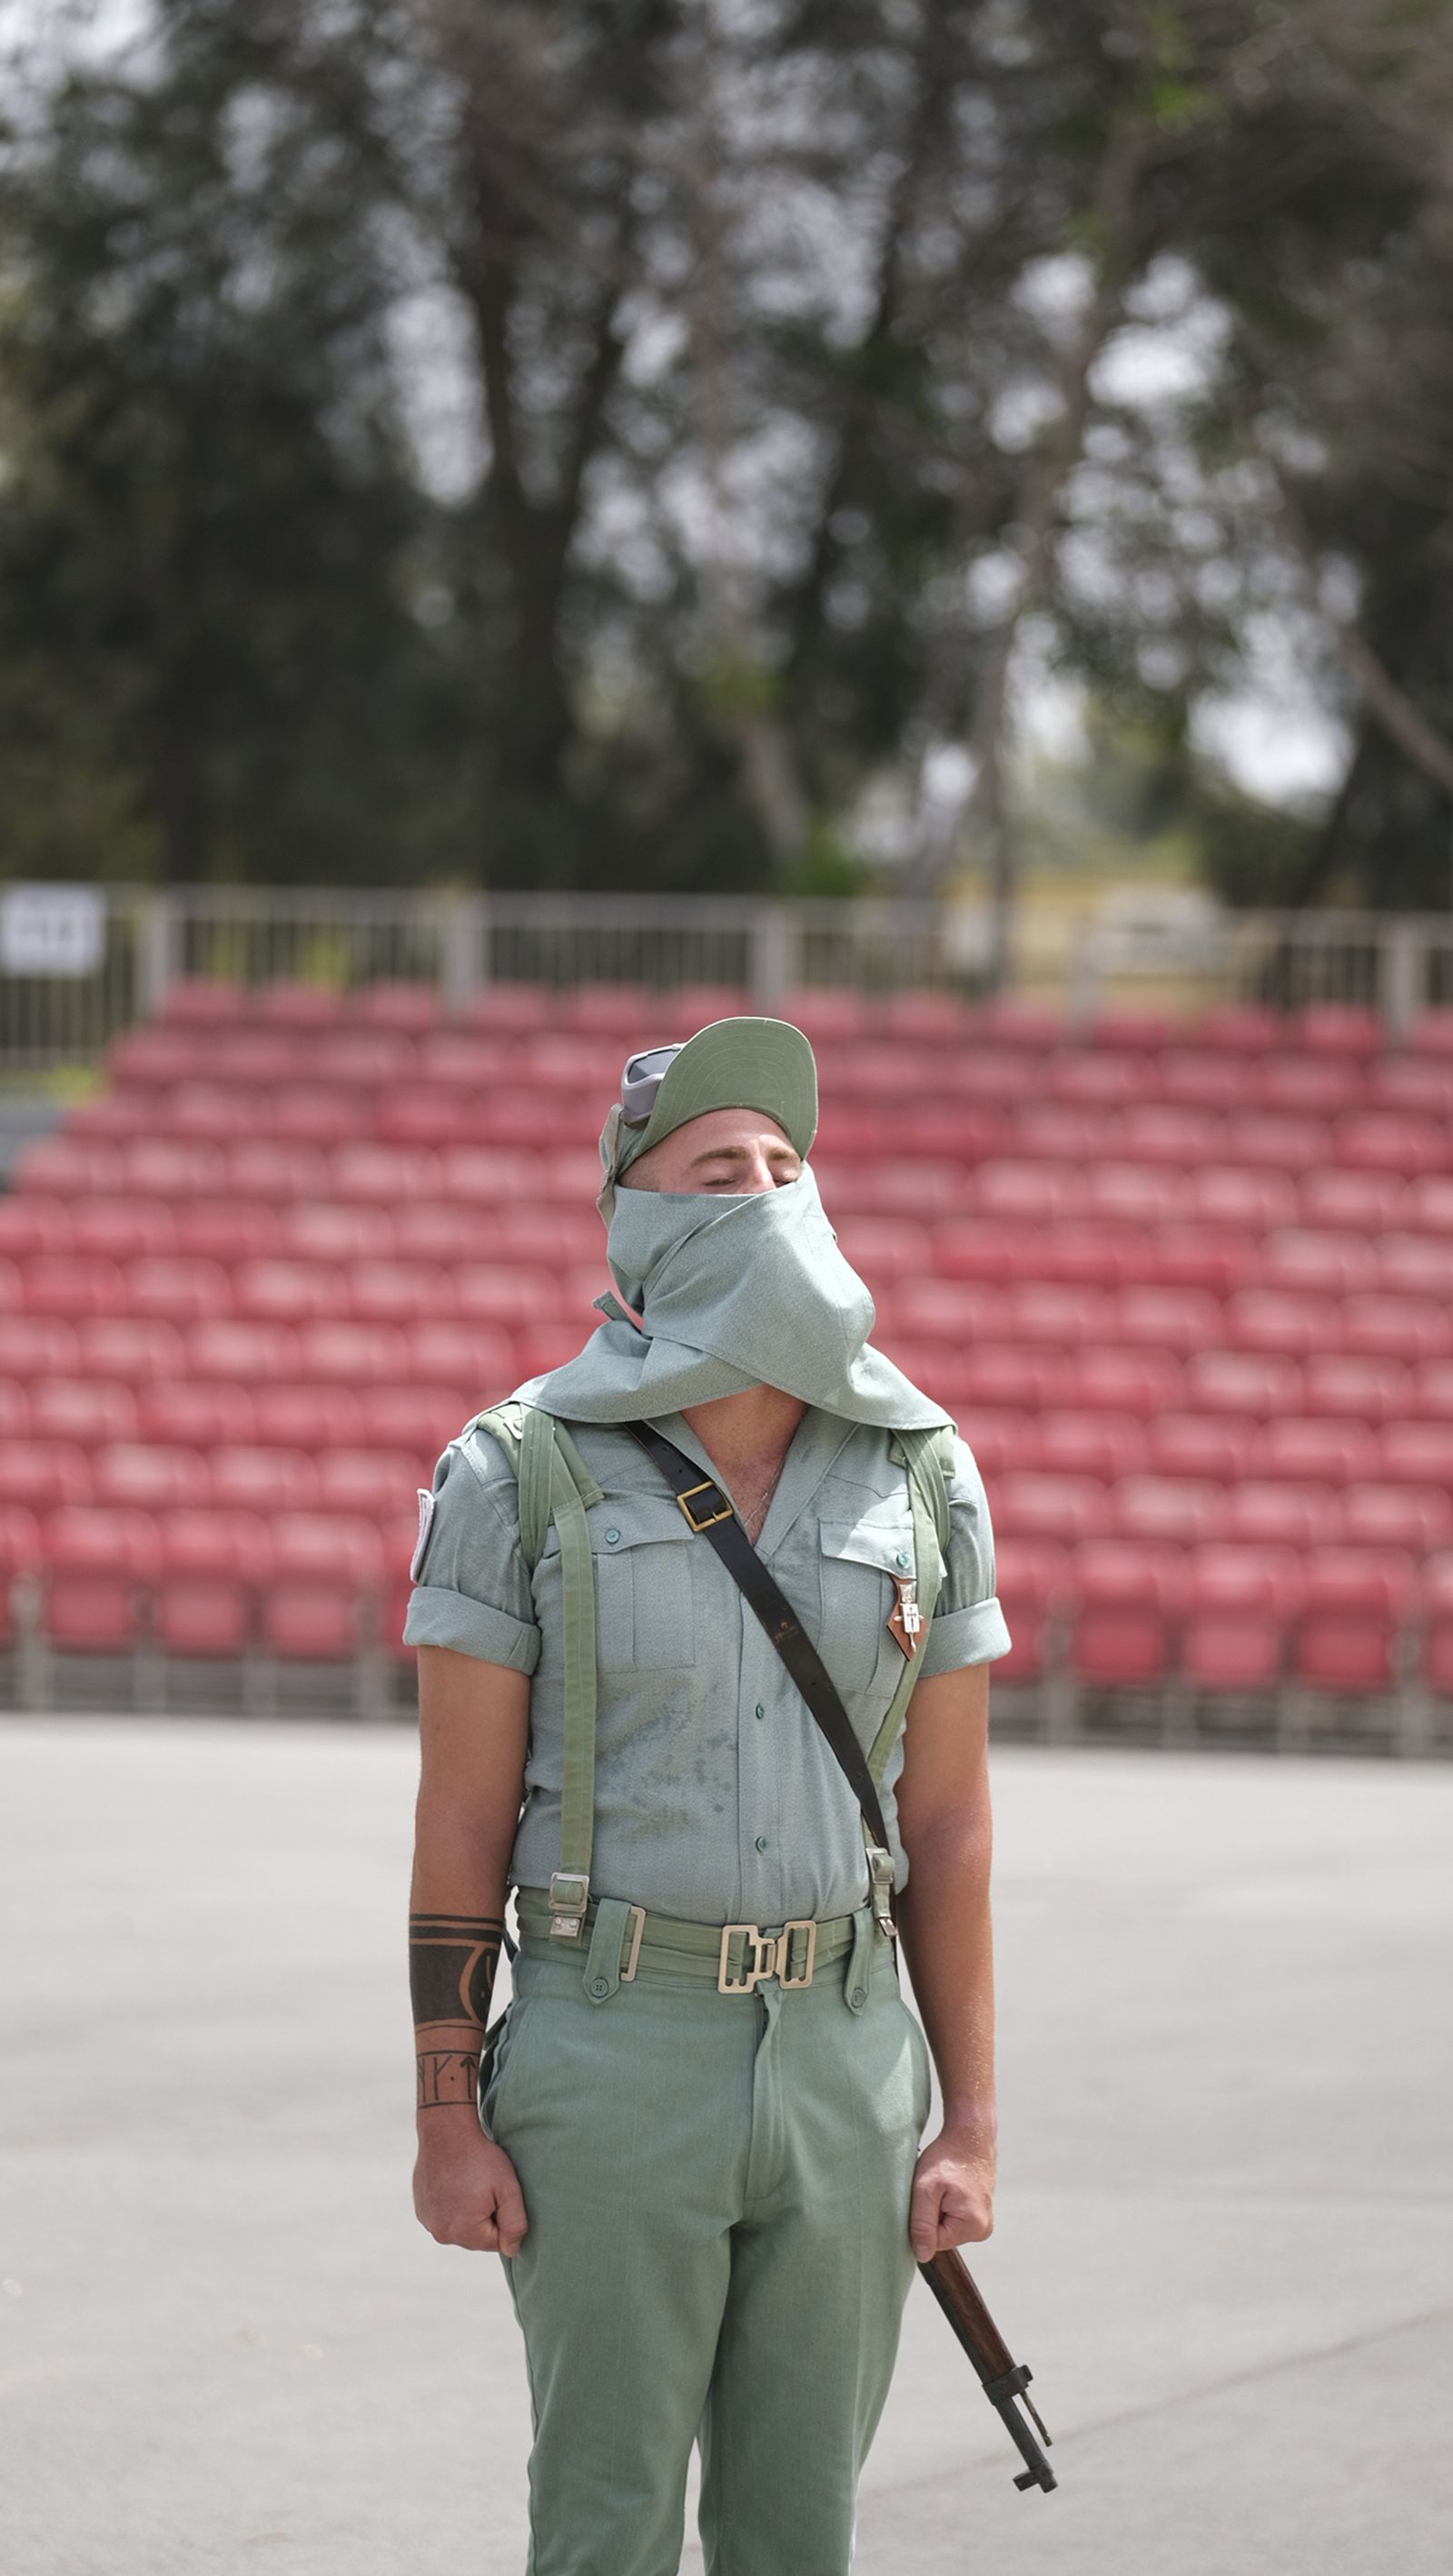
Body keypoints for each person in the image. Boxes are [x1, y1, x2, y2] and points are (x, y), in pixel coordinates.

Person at [403, 1015, 1010, 2576]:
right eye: (719, 1165)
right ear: (641, 1218)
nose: (766, 1187)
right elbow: (461, 1820)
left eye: (788, 1163)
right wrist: (445, 2115)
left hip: (844, 2061)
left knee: (797, 2538)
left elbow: (946, 1826)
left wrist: (972, 2122)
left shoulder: (924, 1472)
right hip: (612, 2054)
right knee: (603, 2531)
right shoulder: (517, 1466)